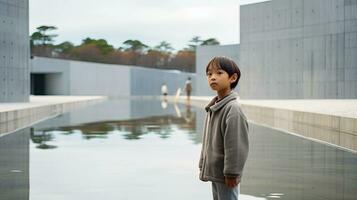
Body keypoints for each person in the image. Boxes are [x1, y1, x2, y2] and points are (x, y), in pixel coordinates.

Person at [199, 56, 249, 200]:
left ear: (232, 78)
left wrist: (232, 173)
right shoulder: (215, 107)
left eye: (219, 73)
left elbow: (236, 146)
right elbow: (208, 141)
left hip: (227, 175)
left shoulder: (233, 109)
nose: (213, 77)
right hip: (216, 171)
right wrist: (203, 164)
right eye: (209, 74)